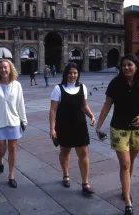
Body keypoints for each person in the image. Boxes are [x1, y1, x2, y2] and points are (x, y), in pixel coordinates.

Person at [95, 54, 139, 215]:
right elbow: (107, 104)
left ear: (136, 66)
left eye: (130, 65)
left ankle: (125, 188)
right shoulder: (115, 83)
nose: (127, 68)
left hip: (138, 129)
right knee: (125, 164)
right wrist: (99, 125)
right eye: (124, 65)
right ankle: (128, 201)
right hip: (119, 128)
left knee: (130, 162)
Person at [49, 62, 96, 195]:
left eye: (75, 73)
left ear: (78, 74)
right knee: (65, 152)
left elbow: (84, 105)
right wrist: (52, 128)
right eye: (70, 73)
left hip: (80, 126)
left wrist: (91, 115)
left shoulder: (82, 87)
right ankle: (66, 175)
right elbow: (53, 110)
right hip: (64, 126)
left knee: (84, 155)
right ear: (66, 74)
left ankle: (85, 183)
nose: (73, 75)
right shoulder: (58, 89)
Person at [0, 59, 28, 188]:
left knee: (13, 149)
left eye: (6, 67)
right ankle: (0, 159)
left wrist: (24, 120)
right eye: (1, 68)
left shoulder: (17, 85)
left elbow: (20, 103)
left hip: (13, 121)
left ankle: (11, 175)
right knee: (1, 149)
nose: (4, 70)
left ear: (10, 69)